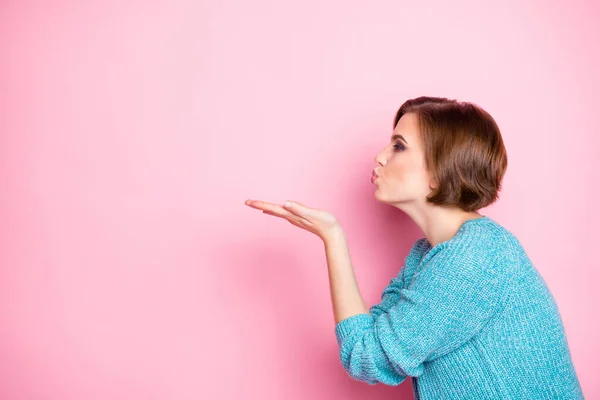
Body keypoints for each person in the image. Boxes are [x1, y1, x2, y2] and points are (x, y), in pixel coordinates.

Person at [244, 96, 584, 399]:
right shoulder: (432, 253)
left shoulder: (473, 259)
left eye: (399, 146)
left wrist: (333, 240)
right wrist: (332, 235)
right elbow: (369, 338)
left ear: (440, 169)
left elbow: (367, 358)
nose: (379, 156)